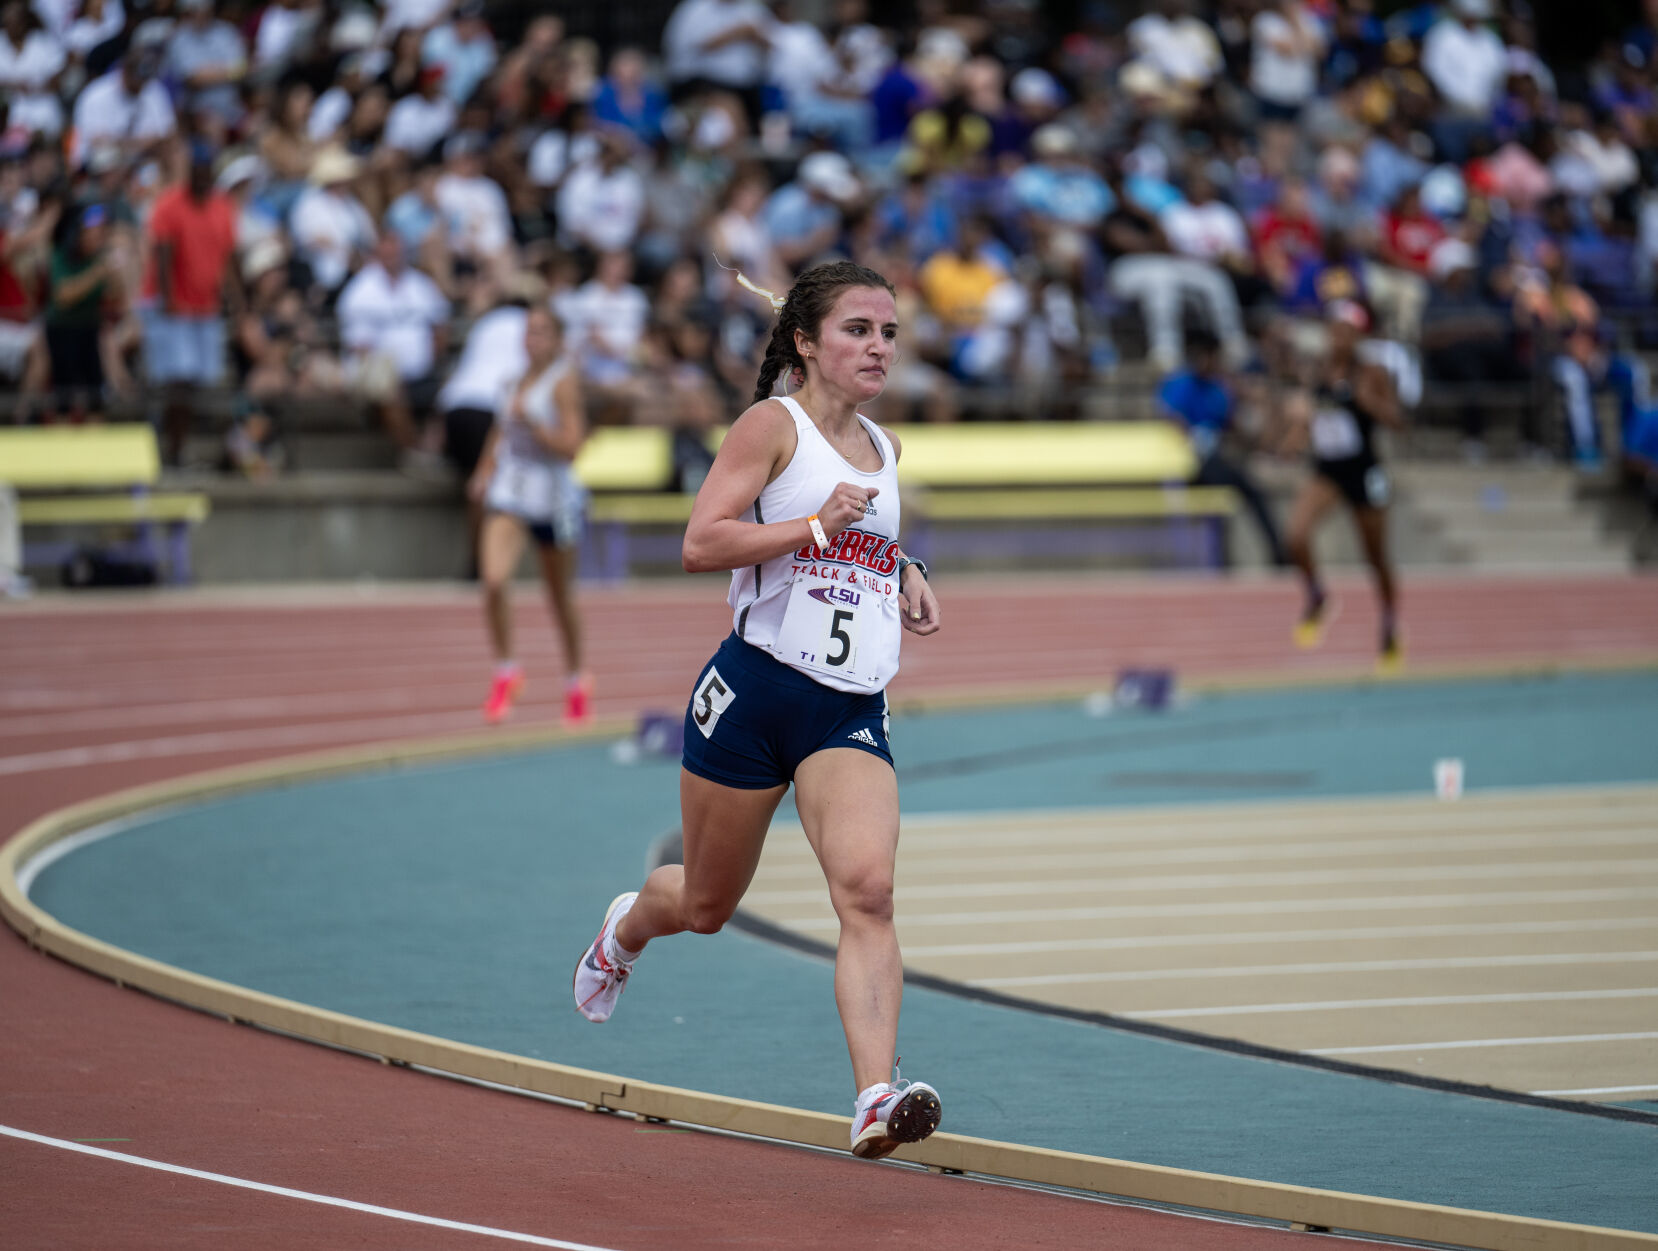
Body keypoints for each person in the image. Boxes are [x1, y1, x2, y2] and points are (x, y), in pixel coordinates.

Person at [570, 259, 945, 1163]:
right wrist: (814, 526)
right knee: (704, 902)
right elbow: (703, 541)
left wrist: (904, 571)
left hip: (846, 709)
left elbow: (874, 537)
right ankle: (627, 927)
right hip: (752, 693)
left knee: (869, 891)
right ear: (807, 343)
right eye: (858, 330)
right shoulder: (768, 427)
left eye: (889, 332)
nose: (879, 348)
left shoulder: (888, 450)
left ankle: (872, 1095)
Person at [469, 305, 591, 725]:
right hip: (511, 489)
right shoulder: (512, 382)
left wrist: (536, 425)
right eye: (528, 331)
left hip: (552, 496)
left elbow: (574, 446)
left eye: (541, 331)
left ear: (557, 339)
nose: (531, 338)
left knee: (559, 597)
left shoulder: (563, 383)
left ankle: (576, 679)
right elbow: (500, 432)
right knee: (494, 579)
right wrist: (483, 472)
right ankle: (506, 670)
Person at [1281, 301, 1402, 669]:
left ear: (1358, 335)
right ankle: (1317, 595)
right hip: (1328, 470)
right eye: (1333, 330)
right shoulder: (1318, 371)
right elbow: (1313, 418)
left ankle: (1390, 621)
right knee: (1296, 535)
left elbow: (1397, 420)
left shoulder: (1371, 373)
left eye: (1345, 331)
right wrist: (1294, 437)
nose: (1337, 337)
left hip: (1363, 470)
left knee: (1374, 555)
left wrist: (1369, 404)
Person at [1157, 329, 1287, 567]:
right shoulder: (1179, 383)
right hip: (1186, 465)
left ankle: (1277, 552)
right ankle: (1238, 558)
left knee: (1251, 490)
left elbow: (1231, 426)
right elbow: (1168, 418)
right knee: (1234, 480)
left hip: (1215, 463)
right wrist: (1193, 438)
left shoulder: (1220, 388)